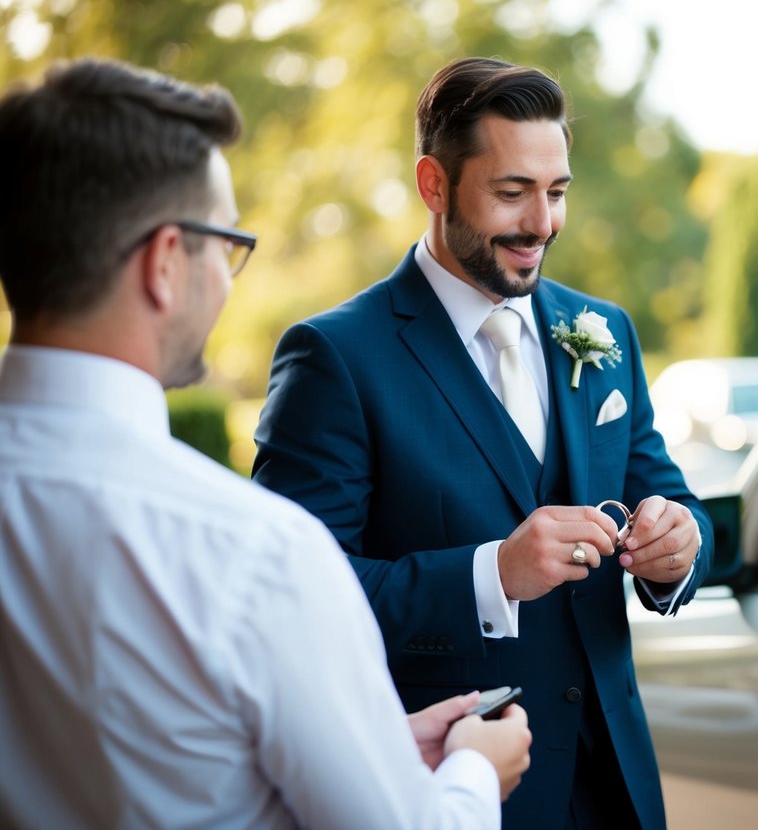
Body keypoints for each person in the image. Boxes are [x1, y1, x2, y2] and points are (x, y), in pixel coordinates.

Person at [0, 57, 531, 829]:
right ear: (163, 264)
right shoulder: (252, 552)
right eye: (224, 244)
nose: (227, 278)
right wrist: (473, 772)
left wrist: (376, 747)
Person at [252, 56, 714, 829]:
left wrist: (681, 544)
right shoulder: (336, 357)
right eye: (512, 193)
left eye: (557, 191)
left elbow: (668, 493)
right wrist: (491, 573)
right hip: (451, 790)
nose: (543, 223)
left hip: (617, 790)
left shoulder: (606, 332)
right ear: (434, 185)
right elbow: (294, 598)